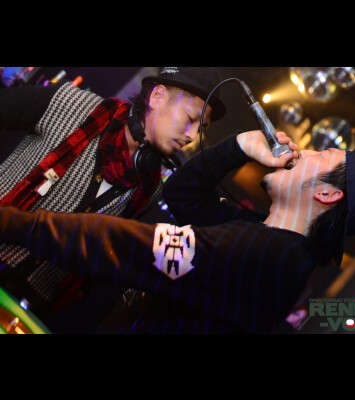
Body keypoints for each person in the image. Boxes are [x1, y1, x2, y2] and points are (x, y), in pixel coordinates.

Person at [0, 128, 355, 333]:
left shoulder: (268, 256)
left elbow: (127, 245)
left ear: (327, 193)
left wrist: (10, 222)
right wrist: (238, 146)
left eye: (321, 154)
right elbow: (183, 197)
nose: (302, 151)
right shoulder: (267, 239)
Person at [0, 67, 226, 333]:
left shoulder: (152, 187)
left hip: (27, 304)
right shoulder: (73, 105)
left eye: (201, 128)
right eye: (191, 118)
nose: (192, 136)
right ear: (157, 96)